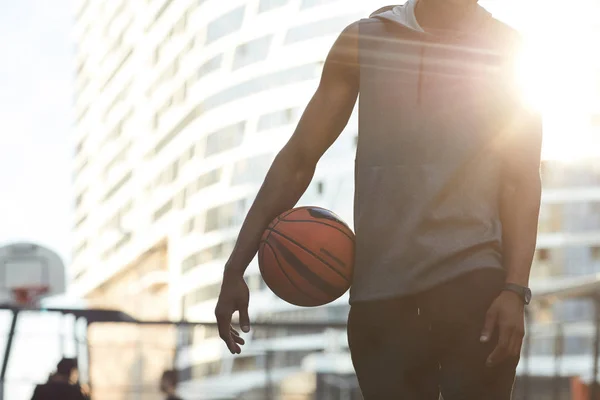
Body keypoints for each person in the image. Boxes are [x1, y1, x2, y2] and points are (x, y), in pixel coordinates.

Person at [215, 0, 542, 398]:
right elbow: (300, 158)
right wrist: (236, 267)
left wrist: (515, 290)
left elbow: (521, 180)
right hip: (381, 302)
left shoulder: (506, 48)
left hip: (473, 289)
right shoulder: (363, 41)